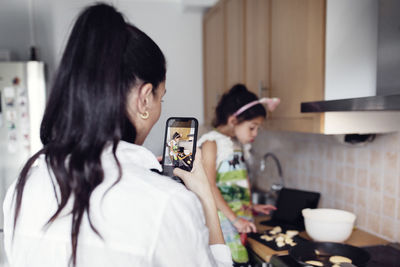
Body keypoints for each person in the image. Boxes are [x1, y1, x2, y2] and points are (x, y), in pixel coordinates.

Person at [3, 4, 232, 267]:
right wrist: (203, 193)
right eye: (161, 98)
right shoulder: (167, 203)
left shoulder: (24, 185)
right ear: (145, 99)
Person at [198, 84, 280, 264]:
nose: (255, 133)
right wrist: (235, 220)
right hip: (222, 225)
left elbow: (232, 186)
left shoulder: (236, 144)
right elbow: (209, 187)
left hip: (238, 221)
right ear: (233, 120)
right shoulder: (211, 143)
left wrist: (250, 207)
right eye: (252, 127)